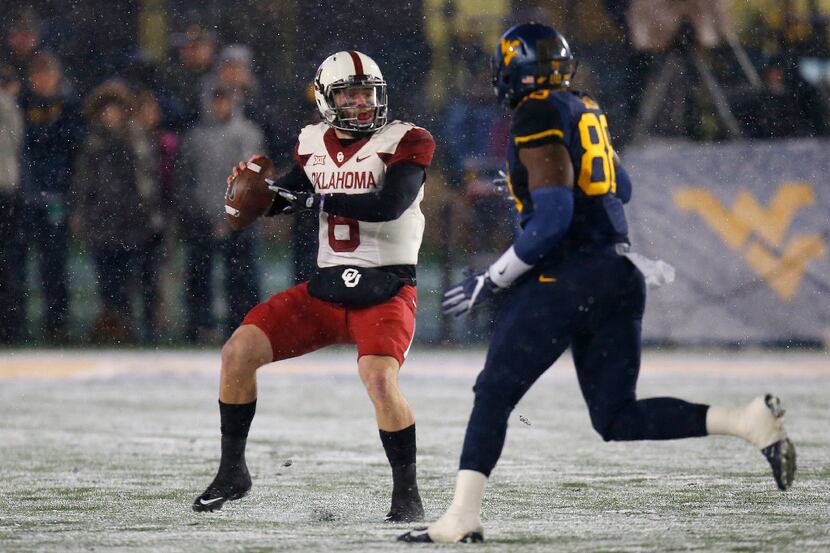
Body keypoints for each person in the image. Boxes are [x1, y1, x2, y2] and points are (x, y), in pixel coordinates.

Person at [399, 23, 796, 544]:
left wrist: (492, 279)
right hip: (617, 272)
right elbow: (618, 186)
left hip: (568, 275)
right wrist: (529, 179)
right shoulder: (584, 107)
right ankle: (746, 421)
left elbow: (555, 218)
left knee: (494, 392)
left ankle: (461, 517)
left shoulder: (537, 112)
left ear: (510, 74)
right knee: (615, 415)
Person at [192, 50, 435, 523]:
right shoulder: (312, 142)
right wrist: (255, 196)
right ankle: (232, 471)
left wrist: (312, 198)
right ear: (327, 99)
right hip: (326, 289)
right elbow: (286, 197)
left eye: (368, 92)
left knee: (380, 381)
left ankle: (407, 494)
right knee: (238, 352)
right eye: (349, 93)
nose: (362, 103)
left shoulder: (408, 140)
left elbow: (390, 204)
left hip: (385, 289)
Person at [175, 85, 265, 343]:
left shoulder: (248, 133)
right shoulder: (195, 137)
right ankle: (200, 326)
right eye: (216, 100)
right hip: (202, 219)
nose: (220, 106)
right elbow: (185, 180)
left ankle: (244, 325)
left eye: (225, 100)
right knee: (200, 277)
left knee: (242, 277)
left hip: (241, 220)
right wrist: (198, 213)